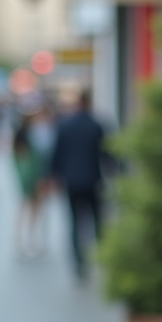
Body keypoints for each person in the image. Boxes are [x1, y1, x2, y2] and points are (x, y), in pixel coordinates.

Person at [50, 90, 107, 281]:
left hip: (72, 181)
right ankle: (101, 255)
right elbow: (107, 154)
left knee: (75, 222)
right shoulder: (96, 125)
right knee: (97, 220)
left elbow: (57, 153)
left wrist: (53, 176)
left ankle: (78, 262)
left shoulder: (65, 125)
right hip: (92, 180)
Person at [12, 116, 44, 256]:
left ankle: (24, 239)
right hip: (31, 179)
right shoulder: (26, 138)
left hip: (30, 178)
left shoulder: (26, 136)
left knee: (27, 208)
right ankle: (24, 240)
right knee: (28, 208)